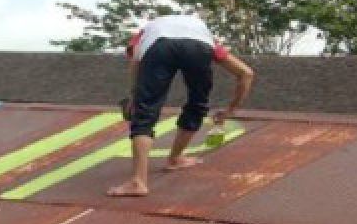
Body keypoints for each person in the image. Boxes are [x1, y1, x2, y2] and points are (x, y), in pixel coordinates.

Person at [108, 13, 255, 198]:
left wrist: (134, 96)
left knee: (145, 111)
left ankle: (138, 181)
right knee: (197, 104)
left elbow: (136, 61)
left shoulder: (146, 31)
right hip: (198, 48)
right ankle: (175, 158)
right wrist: (230, 110)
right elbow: (246, 73)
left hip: (159, 46)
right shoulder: (205, 37)